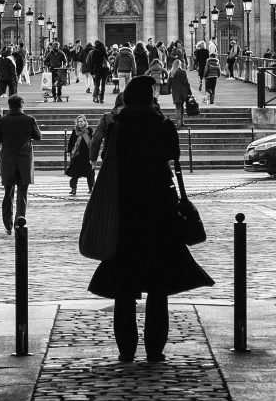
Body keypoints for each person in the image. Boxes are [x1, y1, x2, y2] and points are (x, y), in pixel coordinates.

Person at [86, 75, 213, 363]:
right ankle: (155, 349)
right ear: (151, 97)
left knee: (124, 287)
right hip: (159, 210)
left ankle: (126, 350)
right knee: (159, 285)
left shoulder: (117, 126)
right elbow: (174, 156)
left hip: (125, 210)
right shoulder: (162, 124)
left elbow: (108, 160)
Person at [0, 93, 42, 233]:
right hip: (25, 161)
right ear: (22, 105)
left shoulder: (2, 121)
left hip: (8, 161)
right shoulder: (29, 120)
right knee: (22, 194)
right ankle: (19, 223)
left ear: (9, 106)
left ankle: (8, 225)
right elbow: (38, 136)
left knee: (8, 193)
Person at [90, 91, 125, 163]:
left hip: (110, 155)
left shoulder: (107, 117)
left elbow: (96, 138)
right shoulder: (136, 117)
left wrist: (93, 158)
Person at [65, 114, 94, 196]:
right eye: (78, 121)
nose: (80, 123)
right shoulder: (74, 131)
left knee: (90, 173)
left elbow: (93, 141)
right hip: (77, 155)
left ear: (85, 122)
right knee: (75, 173)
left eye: (81, 121)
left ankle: (91, 188)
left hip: (87, 155)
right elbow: (71, 142)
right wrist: (69, 151)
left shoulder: (89, 130)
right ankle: (73, 189)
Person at [168, 57, 193, 126]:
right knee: (182, 106)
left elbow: (169, 83)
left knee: (177, 107)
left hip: (175, 92)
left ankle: (178, 121)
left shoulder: (172, 72)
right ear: (180, 64)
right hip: (183, 92)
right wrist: (189, 92)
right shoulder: (183, 72)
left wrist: (168, 90)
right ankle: (182, 121)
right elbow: (186, 83)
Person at [90, 38, 109, 102]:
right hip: (104, 70)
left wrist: (92, 72)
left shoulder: (94, 52)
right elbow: (107, 61)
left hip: (97, 70)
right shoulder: (104, 52)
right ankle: (102, 99)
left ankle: (97, 97)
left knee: (97, 84)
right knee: (103, 85)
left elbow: (92, 63)